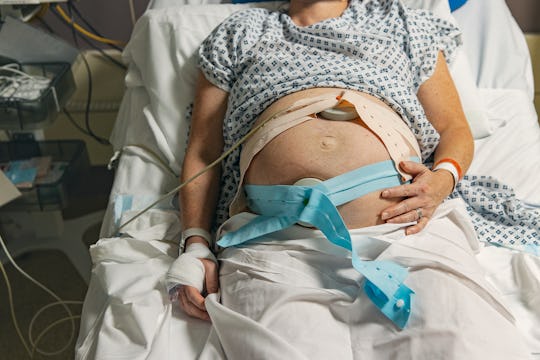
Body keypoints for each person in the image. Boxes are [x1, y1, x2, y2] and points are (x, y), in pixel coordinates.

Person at [166, 0, 529, 358]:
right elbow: (202, 151)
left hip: (405, 230)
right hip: (274, 239)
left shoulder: (403, 25)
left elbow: (455, 129)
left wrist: (443, 179)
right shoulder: (240, 32)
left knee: (469, 345)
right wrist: (195, 243)